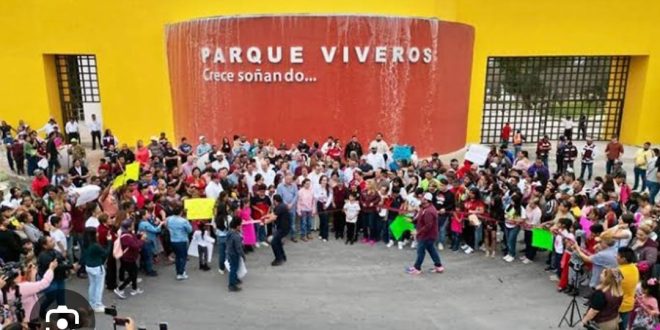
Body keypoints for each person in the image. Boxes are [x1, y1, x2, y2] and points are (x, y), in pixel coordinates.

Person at [405, 192, 444, 275]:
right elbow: (419, 218)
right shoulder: (424, 208)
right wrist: (412, 221)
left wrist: (417, 232)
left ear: (427, 200)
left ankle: (417, 268)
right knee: (431, 250)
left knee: (420, 251)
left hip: (427, 235)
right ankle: (439, 266)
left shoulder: (429, 211)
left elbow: (428, 226)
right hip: (428, 235)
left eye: (423, 198)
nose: (421, 199)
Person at [114, 219, 145, 299]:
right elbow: (135, 245)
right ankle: (120, 289)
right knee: (132, 275)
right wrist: (142, 240)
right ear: (128, 228)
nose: (133, 226)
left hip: (131, 257)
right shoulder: (126, 237)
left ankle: (134, 288)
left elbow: (134, 239)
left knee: (134, 272)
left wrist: (138, 236)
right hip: (128, 258)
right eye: (132, 225)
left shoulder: (128, 233)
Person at [83, 227, 112, 312]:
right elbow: (106, 253)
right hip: (97, 267)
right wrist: (109, 241)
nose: (98, 234)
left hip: (89, 266)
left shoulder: (86, 243)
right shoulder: (95, 245)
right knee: (99, 286)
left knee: (92, 285)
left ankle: (92, 303)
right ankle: (97, 304)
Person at [262, 194, 290, 266]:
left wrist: (265, 222)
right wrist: (265, 216)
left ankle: (279, 259)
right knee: (278, 242)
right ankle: (283, 257)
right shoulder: (280, 206)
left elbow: (273, 218)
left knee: (274, 242)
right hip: (283, 228)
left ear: (275, 200)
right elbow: (273, 214)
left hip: (283, 228)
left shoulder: (280, 207)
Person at [167, 206, 192, 280]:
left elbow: (166, 225)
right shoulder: (183, 221)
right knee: (183, 257)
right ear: (181, 212)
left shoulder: (169, 219)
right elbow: (189, 230)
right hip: (181, 240)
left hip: (173, 240)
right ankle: (181, 273)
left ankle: (178, 272)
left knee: (177, 257)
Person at [616, 247, 639, 329]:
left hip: (618, 305)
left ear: (624, 259)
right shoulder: (634, 268)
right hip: (629, 304)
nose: (616, 257)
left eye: (618, 255)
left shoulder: (619, 272)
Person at [226, 217, 244, 292]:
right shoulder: (236, 236)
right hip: (234, 254)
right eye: (240, 225)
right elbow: (238, 248)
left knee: (233, 267)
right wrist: (243, 255)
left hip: (229, 252)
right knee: (233, 268)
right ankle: (231, 285)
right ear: (237, 226)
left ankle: (235, 279)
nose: (241, 226)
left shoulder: (229, 232)